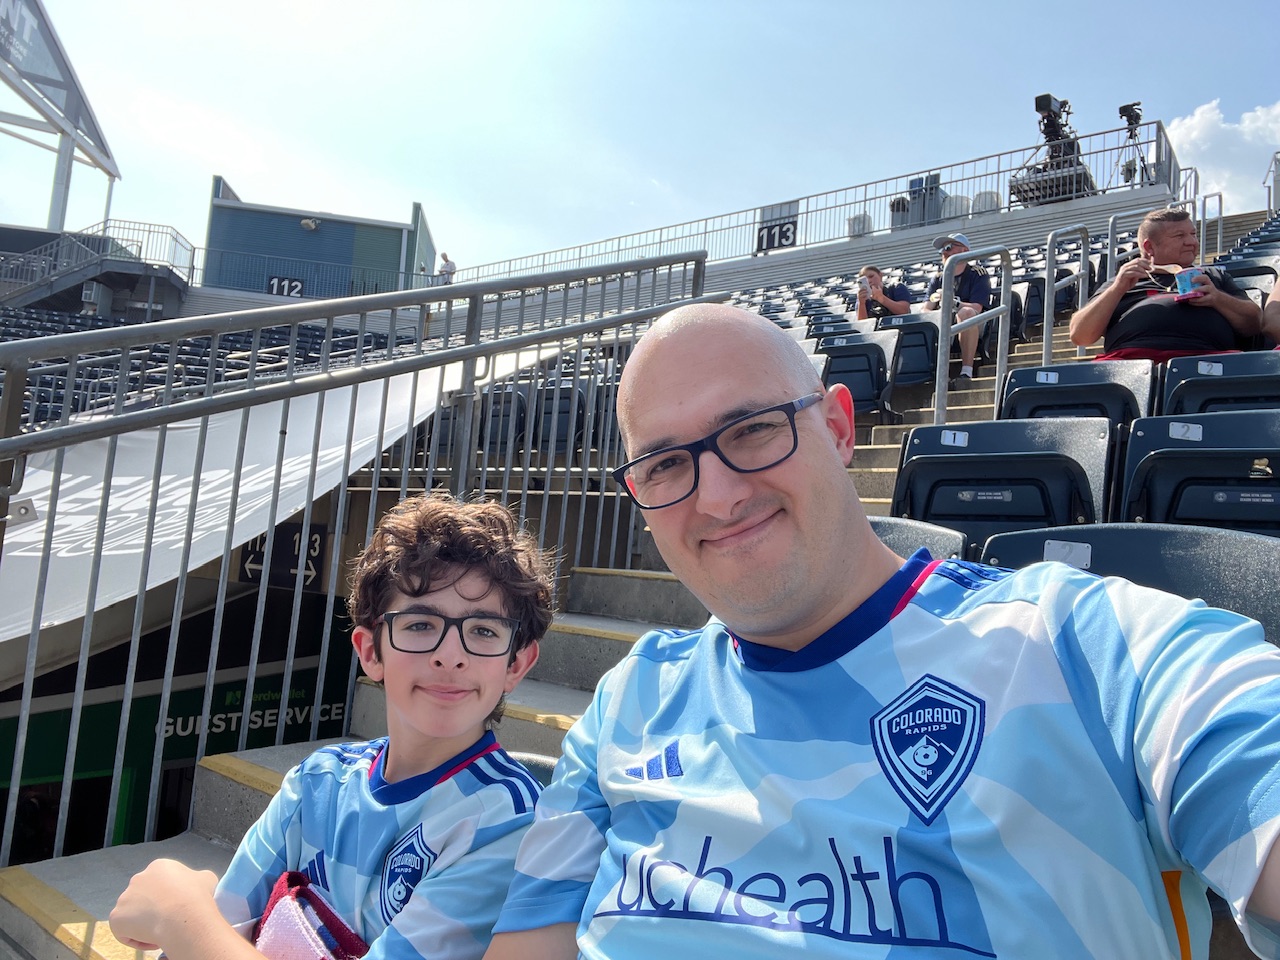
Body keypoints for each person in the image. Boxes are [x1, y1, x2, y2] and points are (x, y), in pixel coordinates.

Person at [486, 302, 1280, 960]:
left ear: (838, 428)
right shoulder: (630, 696)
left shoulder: (1088, 645)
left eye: (754, 428)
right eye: (663, 464)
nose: (717, 496)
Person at [110, 493, 554, 960]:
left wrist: (181, 914)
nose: (451, 654)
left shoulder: (510, 821)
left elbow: (203, 938)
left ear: (516, 664)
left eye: (484, 631)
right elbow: (222, 929)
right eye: (421, 625)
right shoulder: (317, 781)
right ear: (370, 652)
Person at [1070, 208, 1262, 363]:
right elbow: (1080, 336)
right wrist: (1117, 289)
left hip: (1208, 364)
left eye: (1193, 234)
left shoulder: (1213, 276)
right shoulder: (1121, 282)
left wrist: (1218, 299)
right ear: (1149, 247)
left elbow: (1254, 324)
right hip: (1129, 367)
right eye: (1179, 236)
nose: (1191, 242)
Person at [921, 233, 991, 389]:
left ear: (963, 250)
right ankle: (937, 375)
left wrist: (953, 303)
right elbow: (925, 309)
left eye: (948, 248)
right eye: (942, 250)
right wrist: (935, 301)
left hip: (973, 322)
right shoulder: (938, 278)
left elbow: (977, 307)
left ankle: (966, 371)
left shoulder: (977, 274)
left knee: (966, 313)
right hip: (946, 322)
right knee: (931, 320)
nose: (943, 253)